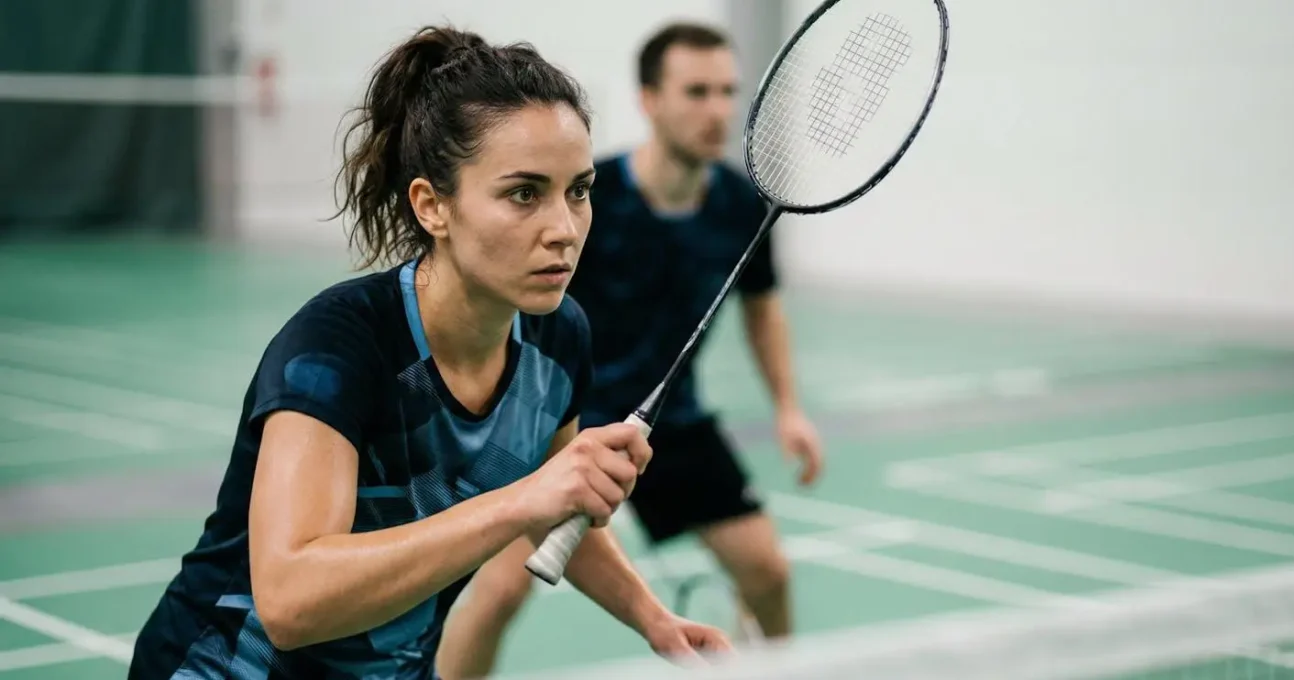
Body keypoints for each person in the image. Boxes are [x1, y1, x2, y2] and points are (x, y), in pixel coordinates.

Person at [126, 25, 730, 680]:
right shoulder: (339, 346)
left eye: (578, 191)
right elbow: (289, 601)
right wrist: (522, 500)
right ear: (432, 206)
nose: (563, 228)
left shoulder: (557, 340)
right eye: (523, 193)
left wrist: (653, 620)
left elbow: (558, 509)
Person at [437, 21, 824, 680]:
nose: (716, 110)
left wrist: (788, 407)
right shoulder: (591, 199)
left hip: (669, 421)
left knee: (767, 571)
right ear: (649, 99)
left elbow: (762, 308)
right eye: (695, 91)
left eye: (726, 92)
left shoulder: (741, 205)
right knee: (499, 592)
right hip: (565, 423)